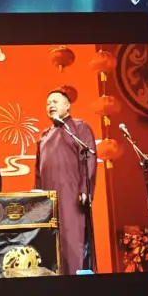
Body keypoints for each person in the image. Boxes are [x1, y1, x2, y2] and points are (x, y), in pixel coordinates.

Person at [34, 86, 98, 274]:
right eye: (48, 103)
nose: (50, 106)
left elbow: (89, 159)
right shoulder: (44, 136)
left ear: (67, 105)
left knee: (73, 244)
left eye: (55, 102)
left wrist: (85, 188)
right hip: (49, 201)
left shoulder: (79, 128)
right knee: (51, 244)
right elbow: (38, 170)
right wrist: (38, 196)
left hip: (72, 197)